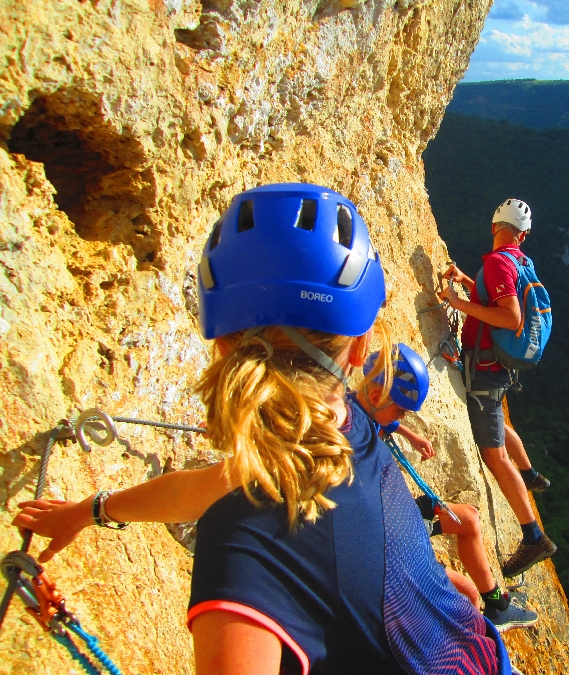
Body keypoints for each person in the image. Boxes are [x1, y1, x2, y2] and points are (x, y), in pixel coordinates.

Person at [14, 184, 516, 675]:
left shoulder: (243, 553)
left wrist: (91, 511)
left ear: (222, 346)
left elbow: (226, 492)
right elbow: (215, 486)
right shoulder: (348, 425)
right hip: (479, 652)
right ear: (361, 351)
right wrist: (92, 510)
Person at [354, 343, 539, 633]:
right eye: (401, 412)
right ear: (378, 396)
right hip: (387, 539)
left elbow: (380, 419)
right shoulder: (359, 447)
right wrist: (419, 526)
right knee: (467, 592)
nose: (402, 417)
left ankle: (498, 606)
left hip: (395, 516)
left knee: (468, 518)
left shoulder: (358, 409)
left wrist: (409, 434)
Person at [438, 199, 556, 579]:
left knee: (494, 455)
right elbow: (495, 298)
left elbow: (509, 316)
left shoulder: (497, 262)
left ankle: (534, 536)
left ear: (494, 226)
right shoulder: (519, 262)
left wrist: (456, 302)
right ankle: (532, 475)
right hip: (499, 366)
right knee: (498, 419)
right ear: (522, 235)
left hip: (486, 370)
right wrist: (468, 284)